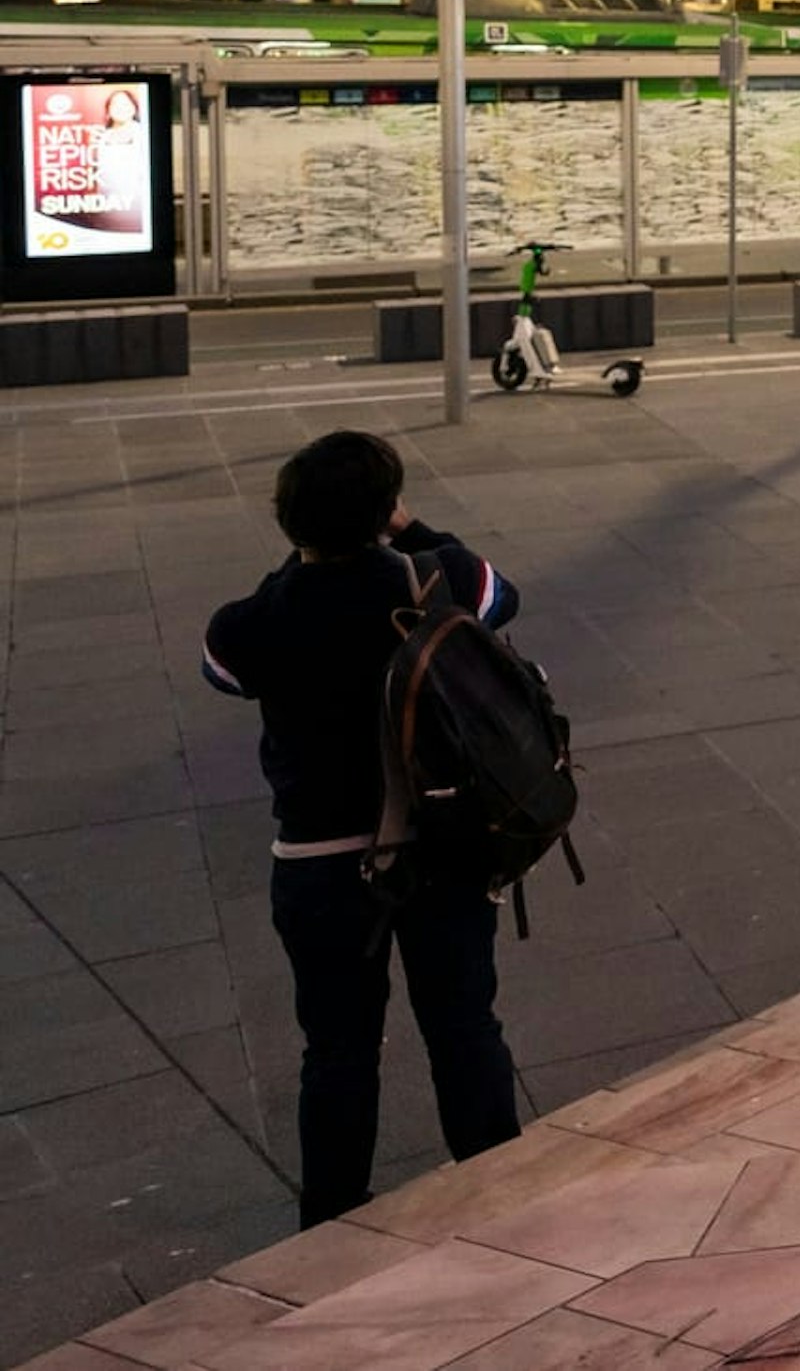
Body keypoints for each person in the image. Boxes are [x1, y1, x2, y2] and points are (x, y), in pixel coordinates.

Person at [200, 431, 525, 1226]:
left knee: (337, 1049)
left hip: (317, 867)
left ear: (290, 522)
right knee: (463, 1025)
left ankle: (333, 1214)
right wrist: (408, 534)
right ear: (385, 512)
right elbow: (500, 593)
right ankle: (503, 1188)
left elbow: (220, 671)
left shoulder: (253, 620)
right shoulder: (429, 577)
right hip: (437, 845)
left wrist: (301, 562)